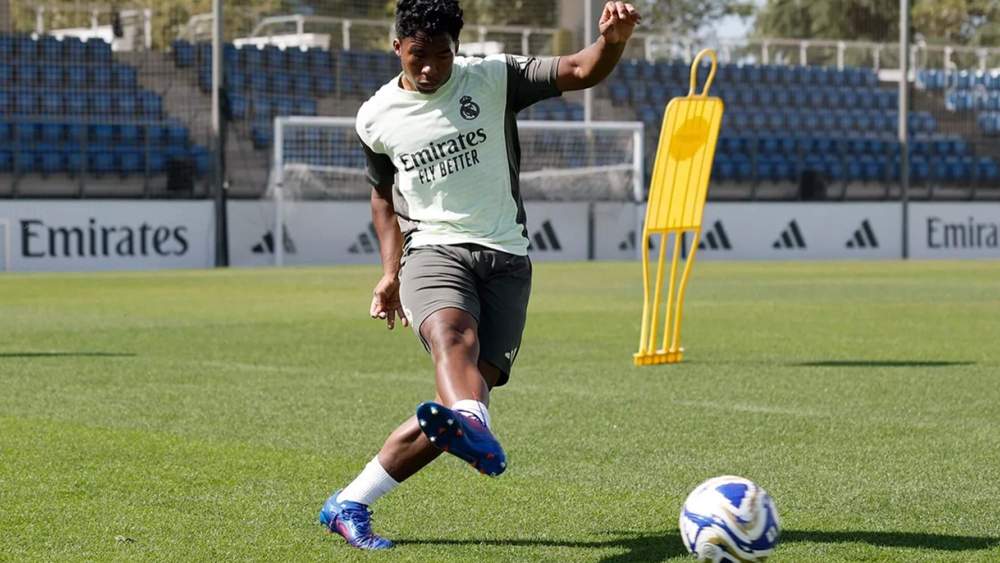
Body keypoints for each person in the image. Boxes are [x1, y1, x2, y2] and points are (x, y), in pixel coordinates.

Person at [319, 0, 642, 550]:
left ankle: (349, 502)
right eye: (418, 56)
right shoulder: (375, 116)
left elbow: (581, 69)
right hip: (433, 250)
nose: (429, 69)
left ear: (457, 50)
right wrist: (389, 272)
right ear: (396, 47)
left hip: (507, 259)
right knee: (454, 338)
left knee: (458, 411)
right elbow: (381, 197)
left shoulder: (494, 78)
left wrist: (612, 40)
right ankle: (472, 423)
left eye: (442, 56)